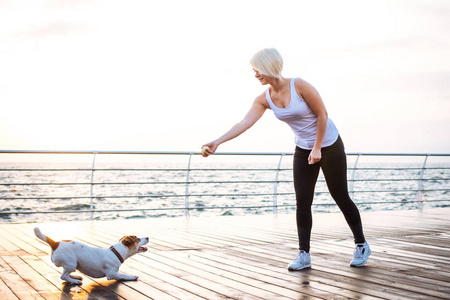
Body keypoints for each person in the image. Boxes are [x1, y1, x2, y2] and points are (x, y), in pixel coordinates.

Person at [201, 48, 370, 270]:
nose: (255, 75)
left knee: (340, 196)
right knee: (302, 201)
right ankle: (304, 254)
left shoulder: (299, 85)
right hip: (303, 148)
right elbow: (244, 123)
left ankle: (361, 244)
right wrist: (218, 141)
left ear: (269, 66)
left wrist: (318, 147)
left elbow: (322, 114)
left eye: (257, 70)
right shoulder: (264, 99)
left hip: (328, 144)